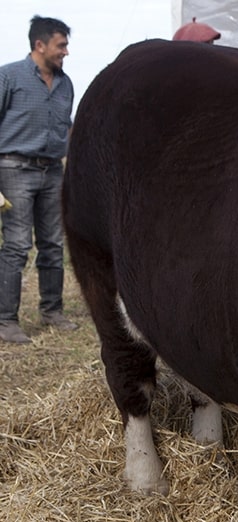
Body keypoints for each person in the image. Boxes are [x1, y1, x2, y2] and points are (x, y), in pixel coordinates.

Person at [0, 15, 77, 344]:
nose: (66, 52)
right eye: (61, 45)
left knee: (53, 245)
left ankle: (52, 310)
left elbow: (67, 128)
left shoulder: (66, 84)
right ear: (40, 44)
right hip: (14, 167)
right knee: (17, 245)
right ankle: (6, 321)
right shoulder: (9, 77)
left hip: (53, 171)